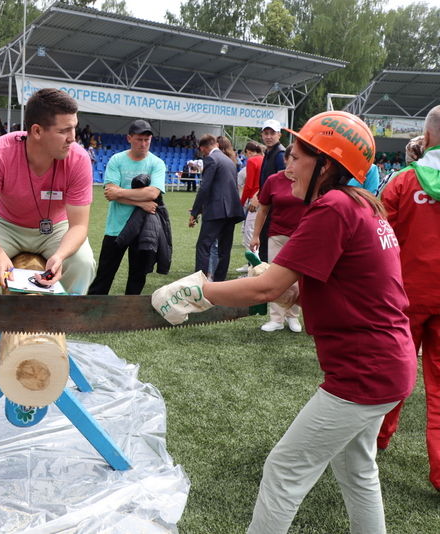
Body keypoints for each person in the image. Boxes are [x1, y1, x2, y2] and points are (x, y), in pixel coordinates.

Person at [152, 110, 415, 533]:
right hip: (387, 364)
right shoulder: (362, 204)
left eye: (295, 158)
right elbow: (318, 288)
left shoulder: (332, 207)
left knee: (283, 472)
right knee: (357, 470)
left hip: (363, 371)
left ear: (325, 164)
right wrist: (278, 285)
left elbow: (267, 290)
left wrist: (197, 291)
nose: (287, 166)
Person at [0, 88, 96, 294]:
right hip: (7, 224)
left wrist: (60, 256)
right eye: (63, 131)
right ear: (37, 131)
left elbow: (79, 226)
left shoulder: (79, 159)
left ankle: (64, 320)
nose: (72, 138)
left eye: (73, 128)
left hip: (56, 227)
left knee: (83, 263)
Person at [376, 107, 440, 492]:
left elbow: (378, 241)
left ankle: (376, 439)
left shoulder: (401, 181)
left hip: (406, 295)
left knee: (393, 371)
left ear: (427, 137)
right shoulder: (402, 180)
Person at [88, 119, 169, 295]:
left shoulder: (157, 163)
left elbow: (153, 194)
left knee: (137, 279)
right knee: (104, 276)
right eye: (139, 139)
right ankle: (91, 314)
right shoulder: (117, 159)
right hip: (116, 228)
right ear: (129, 138)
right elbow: (110, 193)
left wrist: (120, 193)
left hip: (143, 230)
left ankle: (129, 316)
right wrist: (140, 202)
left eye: (147, 139)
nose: (143, 143)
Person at [249, 144, 307, 333]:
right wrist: (256, 235)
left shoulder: (307, 180)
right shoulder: (273, 180)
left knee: (298, 278)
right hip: (276, 235)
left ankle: (293, 317)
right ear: (285, 159)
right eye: (293, 158)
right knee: (274, 277)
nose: (294, 162)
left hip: (301, 237)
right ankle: (276, 318)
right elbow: (263, 209)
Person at [188, 134, 244, 282]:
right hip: (231, 210)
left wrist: (195, 212)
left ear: (203, 148)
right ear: (216, 144)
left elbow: (204, 188)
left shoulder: (211, 159)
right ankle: (219, 283)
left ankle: (200, 283)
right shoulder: (229, 160)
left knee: (203, 246)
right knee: (224, 250)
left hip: (216, 211)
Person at [253, 119, 286, 261]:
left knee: (269, 250)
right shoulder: (269, 153)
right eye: (266, 133)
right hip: (267, 207)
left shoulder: (280, 155)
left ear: (279, 134)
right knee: (264, 248)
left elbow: (282, 184)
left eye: (272, 133)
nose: (268, 136)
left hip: (274, 210)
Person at [237, 141, 264, 272]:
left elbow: (249, 186)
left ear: (248, 151)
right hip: (265, 200)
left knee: (249, 235)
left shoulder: (252, 161)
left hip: (254, 201)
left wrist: (241, 203)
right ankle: (253, 267)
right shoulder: (264, 159)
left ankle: (253, 269)